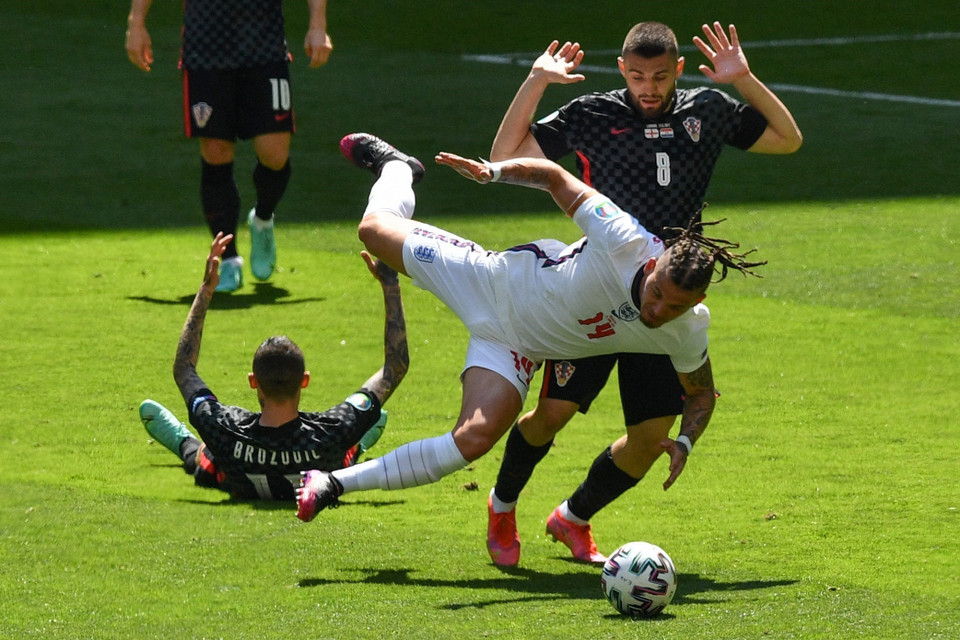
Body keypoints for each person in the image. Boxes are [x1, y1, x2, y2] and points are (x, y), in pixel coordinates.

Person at [295, 133, 763, 534]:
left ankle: (330, 482)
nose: (657, 309)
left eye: (674, 305)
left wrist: (684, 442)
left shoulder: (686, 329)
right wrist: (492, 173)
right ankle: (398, 167)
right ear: (652, 264)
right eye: (657, 291)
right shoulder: (624, 238)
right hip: (488, 280)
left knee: (473, 439)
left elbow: (701, 393)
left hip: (514, 347)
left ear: (696, 304)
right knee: (373, 229)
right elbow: (554, 177)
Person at [483, 21, 802, 565]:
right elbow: (504, 153)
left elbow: (787, 139)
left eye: (658, 76)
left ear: (677, 70)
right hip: (598, 290)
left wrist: (744, 78)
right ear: (622, 71)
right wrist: (536, 80)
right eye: (636, 76)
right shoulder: (592, 114)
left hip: (663, 303)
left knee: (652, 438)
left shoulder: (707, 108)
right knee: (552, 414)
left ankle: (573, 518)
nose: (647, 87)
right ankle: (502, 504)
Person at [138, 230, 409, 500]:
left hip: (236, 473)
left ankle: (183, 442)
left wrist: (206, 289)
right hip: (324, 461)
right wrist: (391, 285)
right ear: (305, 380)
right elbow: (395, 366)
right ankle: (359, 438)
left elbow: (184, 368)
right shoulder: (331, 431)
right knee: (343, 456)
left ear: (253, 381)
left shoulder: (226, 428)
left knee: (209, 459)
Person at [125, 0, 334, 292]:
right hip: (205, 52)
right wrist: (136, 24)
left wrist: (318, 25)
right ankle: (228, 259)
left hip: (265, 49)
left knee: (274, 154)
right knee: (215, 151)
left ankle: (262, 218)